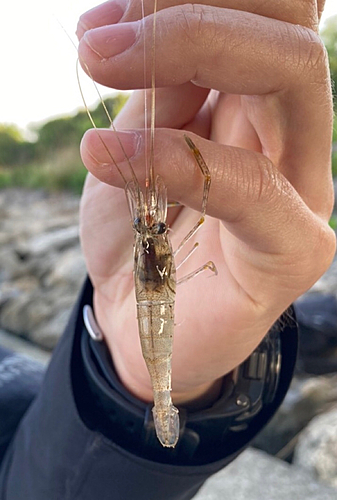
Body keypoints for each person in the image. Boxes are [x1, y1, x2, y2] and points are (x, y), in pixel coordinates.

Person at [0, 0, 334, 498]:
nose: (148, 224)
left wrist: (122, 374)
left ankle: (304, 328)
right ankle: (309, 330)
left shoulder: (145, 241)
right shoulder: (158, 241)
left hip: (137, 356)